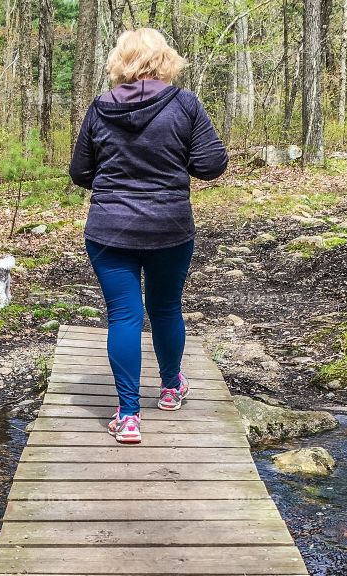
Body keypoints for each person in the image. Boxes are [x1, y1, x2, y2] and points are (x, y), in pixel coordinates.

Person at [69, 28, 228, 444]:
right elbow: (211, 164)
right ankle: (172, 388)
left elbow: (80, 173)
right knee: (165, 309)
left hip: (109, 228)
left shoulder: (100, 107)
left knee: (124, 316)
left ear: (119, 61)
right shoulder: (185, 104)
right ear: (166, 59)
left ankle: (128, 416)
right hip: (169, 226)